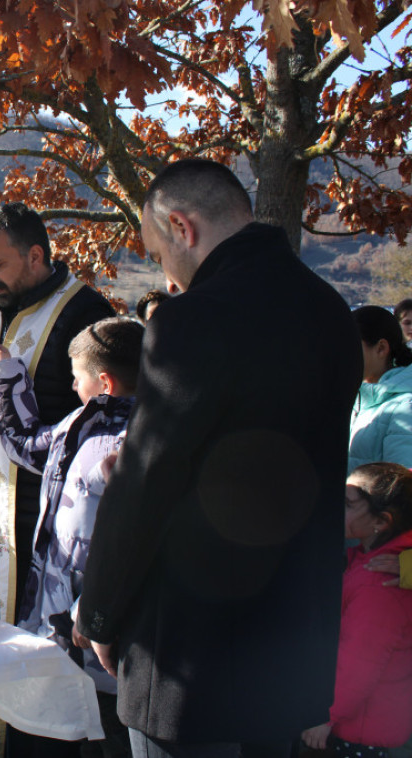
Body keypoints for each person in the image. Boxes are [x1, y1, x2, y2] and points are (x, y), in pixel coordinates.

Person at [75, 159, 364, 756]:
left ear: (183, 227)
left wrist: (100, 613)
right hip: (286, 642)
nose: (169, 277)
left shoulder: (192, 318)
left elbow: (149, 478)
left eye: (158, 255)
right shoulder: (331, 312)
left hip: (191, 645)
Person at [0, 202, 114, 756]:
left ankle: (44, 743)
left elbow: (88, 418)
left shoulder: (85, 311)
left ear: (36, 255)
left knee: (42, 655)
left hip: (42, 518)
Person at [0, 317, 142, 758]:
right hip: (63, 630)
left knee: (106, 739)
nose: (74, 388)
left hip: (103, 640)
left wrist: (89, 612)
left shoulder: (136, 443)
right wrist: (7, 373)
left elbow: (124, 544)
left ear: (104, 381)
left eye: (77, 378)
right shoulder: (79, 424)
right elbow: (26, 443)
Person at [301, 462, 412, 758]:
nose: (337, 509)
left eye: (348, 504)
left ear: (382, 521)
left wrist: (328, 715)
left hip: (362, 733)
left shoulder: (381, 583)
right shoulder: (371, 561)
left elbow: (361, 661)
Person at [349, 305, 412, 471]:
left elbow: (401, 483)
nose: (344, 355)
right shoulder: (356, 398)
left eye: (352, 347)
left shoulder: (406, 405)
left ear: (381, 348)